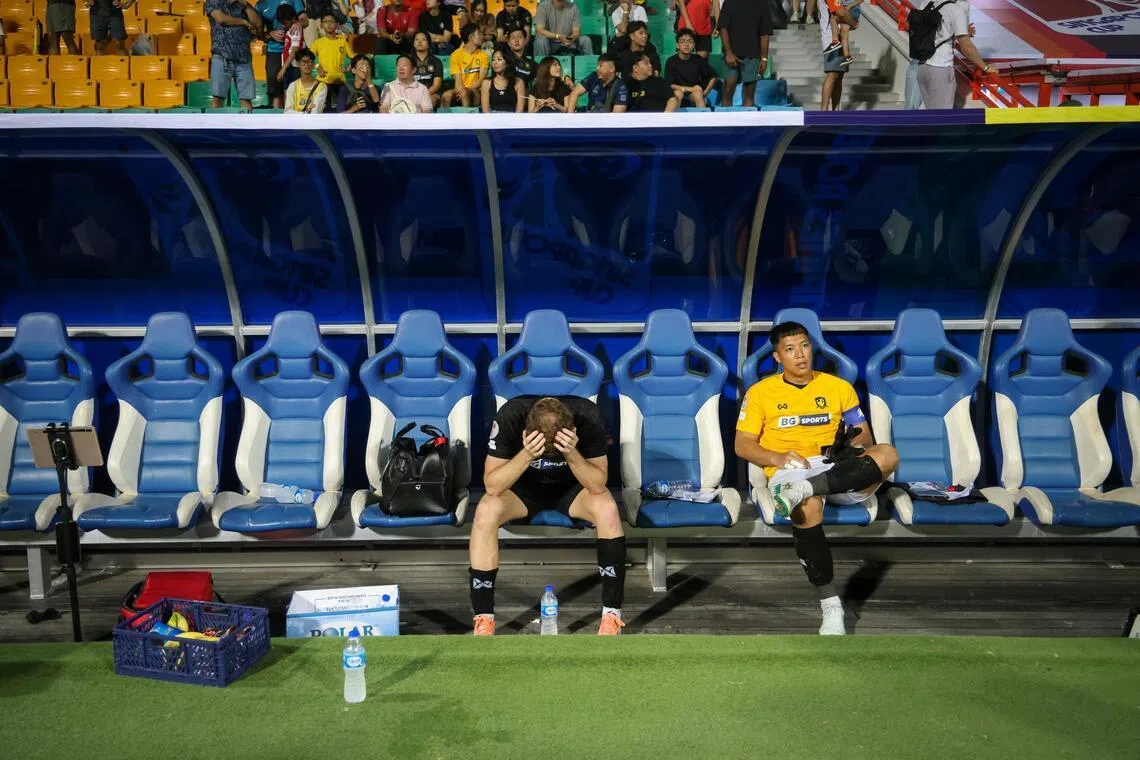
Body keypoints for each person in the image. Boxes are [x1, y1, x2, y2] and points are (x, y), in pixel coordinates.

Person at [735, 322, 899, 636]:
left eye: (805, 346)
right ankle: (831, 606)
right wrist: (777, 458)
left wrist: (852, 446)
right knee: (807, 508)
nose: (800, 355)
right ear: (777, 357)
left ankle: (806, 489)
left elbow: (863, 434)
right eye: (790, 349)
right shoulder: (760, 393)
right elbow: (743, 445)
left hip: (837, 469)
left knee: (888, 454)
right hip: (791, 468)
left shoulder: (838, 387)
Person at [471, 396, 626, 636]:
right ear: (526, 430)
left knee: (607, 508)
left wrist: (572, 452)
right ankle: (484, 619)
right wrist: (526, 454)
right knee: (485, 511)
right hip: (522, 490)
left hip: (574, 489)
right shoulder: (511, 415)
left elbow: (598, 485)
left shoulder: (589, 416)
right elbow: (492, 485)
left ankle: (612, 615)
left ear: (573, 429)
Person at [916, 0, 993, 109]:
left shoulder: (930, 2)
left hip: (923, 67)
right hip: (940, 68)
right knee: (942, 120)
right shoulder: (956, 9)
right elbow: (966, 47)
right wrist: (986, 67)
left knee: (932, 119)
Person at [207, 0, 262, 111]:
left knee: (246, 100)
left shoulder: (243, 5)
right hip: (222, 56)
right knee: (218, 98)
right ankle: (214, 127)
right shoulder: (214, 1)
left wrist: (245, 4)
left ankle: (248, 127)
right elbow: (221, 19)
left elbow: (258, 24)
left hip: (244, 58)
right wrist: (243, 21)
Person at [717, 0, 771, 107]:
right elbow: (723, 28)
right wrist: (728, 53)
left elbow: (765, 33)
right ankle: (726, 123)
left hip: (753, 55)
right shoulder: (729, 2)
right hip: (732, 53)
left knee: (749, 94)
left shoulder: (762, 4)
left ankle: (747, 123)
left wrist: (764, 58)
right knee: (728, 88)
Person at [260, 0, 307, 108]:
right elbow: (257, 32)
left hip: (293, 66)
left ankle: (294, 115)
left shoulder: (294, 29)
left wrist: (283, 69)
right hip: (278, 56)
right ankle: (284, 115)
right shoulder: (260, 4)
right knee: (282, 90)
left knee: (294, 91)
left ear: (293, 19)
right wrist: (269, 34)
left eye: (284, 23)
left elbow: (294, 50)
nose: (283, 26)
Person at [310, 12, 353, 110]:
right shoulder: (318, 42)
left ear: (337, 25)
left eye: (332, 21)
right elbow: (308, 58)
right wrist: (317, 67)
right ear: (321, 25)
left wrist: (347, 68)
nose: (329, 24)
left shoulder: (342, 41)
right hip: (323, 81)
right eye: (326, 22)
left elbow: (354, 58)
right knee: (325, 110)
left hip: (340, 81)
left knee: (341, 110)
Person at [664, 28, 716, 107]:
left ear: (694, 45)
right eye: (683, 41)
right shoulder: (671, 61)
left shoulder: (699, 60)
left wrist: (704, 93)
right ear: (677, 45)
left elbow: (713, 76)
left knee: (698, 95)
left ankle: (703, 117)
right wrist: (689, 89)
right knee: (678, 93)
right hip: (678, 94)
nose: (686, 44)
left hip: (694, 95)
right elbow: (670, 85)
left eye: (690, 41)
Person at [441, 23, 488, 107]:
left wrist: (465, 90)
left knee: (465, 93)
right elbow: (458, 80)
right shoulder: (456, 55)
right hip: (459, 89)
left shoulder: (483, 55)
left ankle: (467, 119)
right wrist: (462, 90)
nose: (482, 36)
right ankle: (445, 120)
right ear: (471, 37)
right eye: (479, 33)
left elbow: (480, 80)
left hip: (475, 90)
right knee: (446, 95)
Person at [482, 44, 526, 112]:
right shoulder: (486, 83)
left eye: (499, 59)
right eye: (493, 60)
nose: (495, 63)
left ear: (507, 63)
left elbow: (519, 110)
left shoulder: (519, 82)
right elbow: (486, 111)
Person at [283, 48, 329, 112]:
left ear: (313, 64)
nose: (307, 65)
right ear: (297, 64)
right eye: (304, 62)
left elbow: (315, 111)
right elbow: (287, 111)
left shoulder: (321, 87)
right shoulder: (293, 86)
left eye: (310, 62)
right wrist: (306, 113)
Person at [823, 0, 862, 69]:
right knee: (843, 33)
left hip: (853, 9)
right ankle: (847, 56)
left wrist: (850, 5)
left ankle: (835, 41)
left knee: (833, 18)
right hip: (844, 9)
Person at [410, 30, 444, 107]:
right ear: (413, 43)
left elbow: (436, 86)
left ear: (428, 44)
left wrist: (422, 95)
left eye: (423, 39)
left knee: (428, 101)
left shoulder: (436, 61)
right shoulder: (408, 61)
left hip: (431, 93)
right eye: (417, 39)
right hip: (412, 93)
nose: (419, 42)